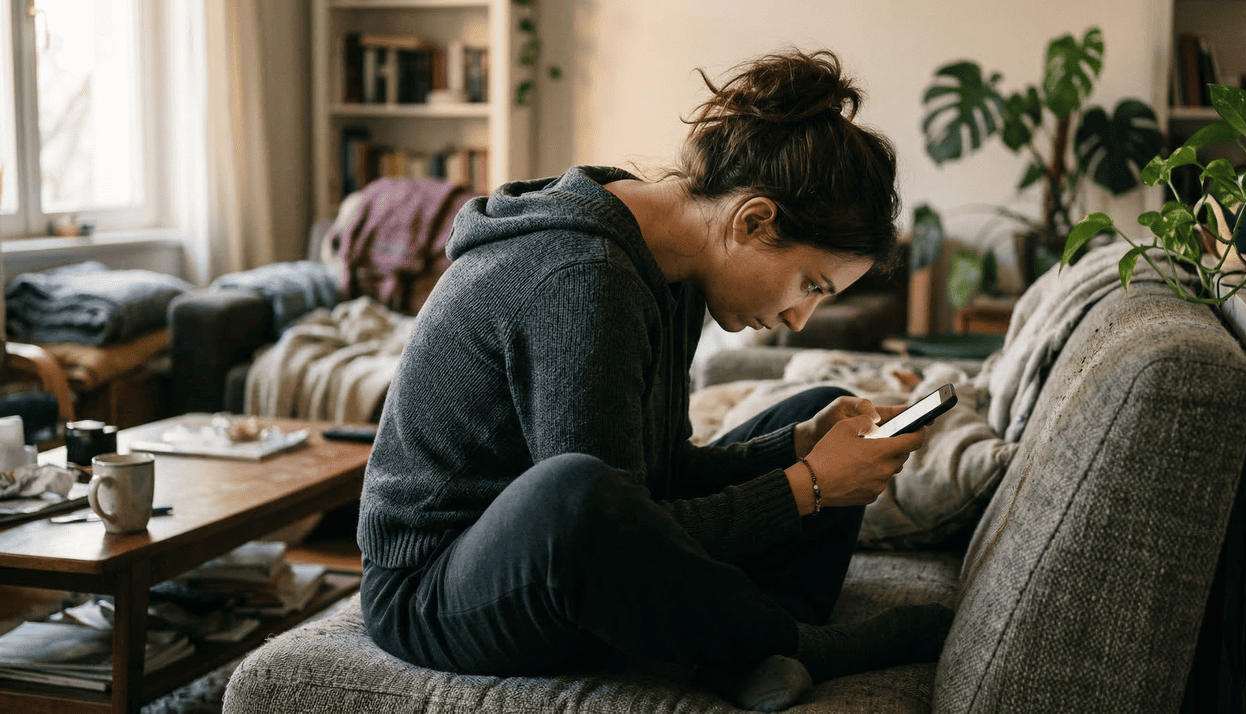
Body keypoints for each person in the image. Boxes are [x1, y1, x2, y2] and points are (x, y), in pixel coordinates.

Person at [357, 47, 953, 712]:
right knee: (578, 490)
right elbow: (610, 527)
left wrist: (797, 451)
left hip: (566, 559)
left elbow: (656, 478)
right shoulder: (583, 280)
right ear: (752, 221)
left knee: (814, 412)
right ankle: (794, 643)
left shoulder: (670, 267)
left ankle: (747, 645)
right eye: (810, 284)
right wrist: (810, 487)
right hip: (438, 592)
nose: (799, 316)